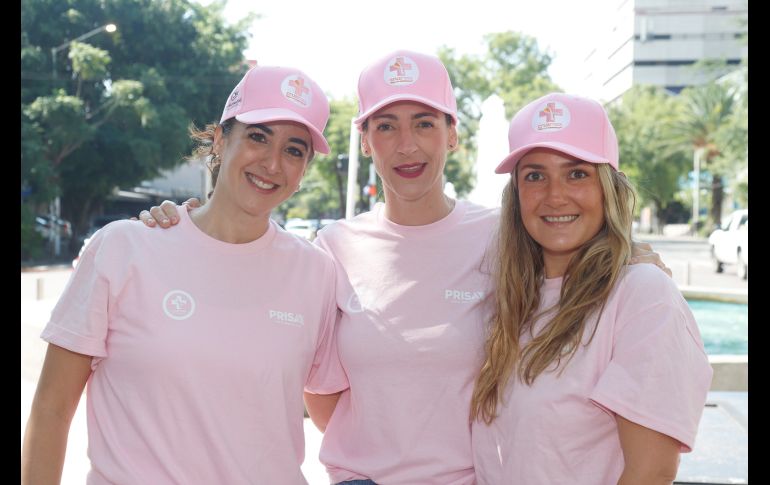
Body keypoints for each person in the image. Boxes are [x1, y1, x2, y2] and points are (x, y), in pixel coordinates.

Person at [138, 51, 670, 485]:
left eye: (424, 123)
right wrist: (185, 223)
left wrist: (636, 256)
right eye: (386, 126)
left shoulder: (505, 236)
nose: (407, 144)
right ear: (365, 139)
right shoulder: (332, 248)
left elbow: (577, 249)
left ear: (453, 134)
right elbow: (316, 386)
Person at [21, 65, 348, 485]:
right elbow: (50, 410)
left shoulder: (316, 272)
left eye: (294, 150)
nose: (271, 162)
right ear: (219, 139)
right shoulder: (124, 248)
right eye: (258, 136)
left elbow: (334, 414)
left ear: (304, 170)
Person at [470, 93, 712, 484]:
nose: (555, 195)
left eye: (577, 173)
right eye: (535, 175)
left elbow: (650, 472)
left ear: (608, 188)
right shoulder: (512, 298)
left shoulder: (642, 294)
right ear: (515, 195)